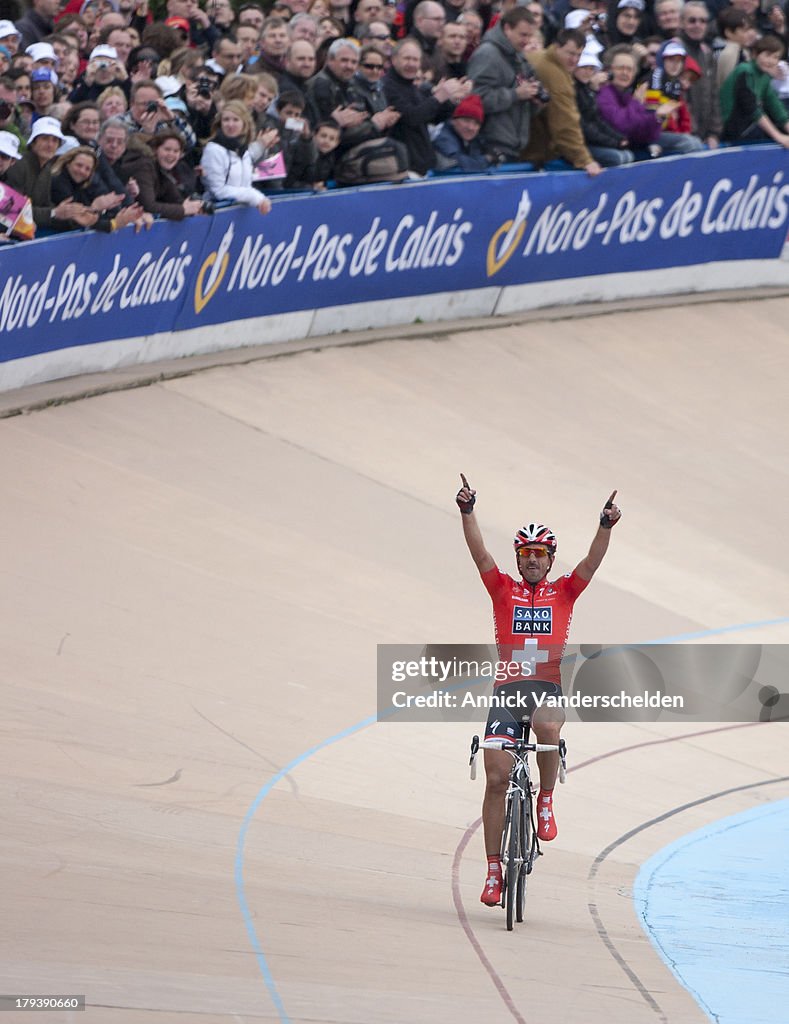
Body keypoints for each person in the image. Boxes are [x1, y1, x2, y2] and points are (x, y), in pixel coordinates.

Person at [455, 473, 621, 907]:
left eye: (540, 554)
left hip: (545, 688)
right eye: (526, 553)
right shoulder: (502, 589)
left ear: (549, 560)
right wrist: (467, 512)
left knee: (548, 724)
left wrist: (604, 526)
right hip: (507, 695)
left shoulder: (565, 591)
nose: (532, 559)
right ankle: (494, 872)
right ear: (519, 558)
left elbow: (591, 562)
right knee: (494, 780)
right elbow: (479, 554)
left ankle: (545, 799)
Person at [466, 7, 542, 164]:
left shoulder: (517, 55)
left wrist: (535, 100)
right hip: (490, 145)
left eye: (530, 35)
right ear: (507, 28)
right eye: (523, 35)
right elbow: (476, 99)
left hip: (514, 143)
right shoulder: (488, 54)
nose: (526, 40)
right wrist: (516, 95)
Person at [523, 28, 604, 174]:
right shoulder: (556, 77)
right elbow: (565, 123)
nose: (574, 60)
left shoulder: (539, 57)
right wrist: (584, 160)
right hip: (531, 149)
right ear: (557, 47)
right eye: (570, 53)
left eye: (579, 55)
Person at [200, 98, 272, 211]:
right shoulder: (213, 150)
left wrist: (259, 199)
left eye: (235, 120)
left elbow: (245, 186)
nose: (230, 124)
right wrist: (255, 197)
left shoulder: (244, 151)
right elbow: (218, 191)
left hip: (240, 213)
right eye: (226, 120)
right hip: (217, 212)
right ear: (220, 123)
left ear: (244, 123)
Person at [720, 34, 789, 146]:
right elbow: (752, 109)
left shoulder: (765, 77)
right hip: (732, 126)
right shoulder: (745, 71)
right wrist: (779, 137)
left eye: (776, 57)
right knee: (770, 134)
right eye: (767, 55)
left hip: (749, 124)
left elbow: (776, 108)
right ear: (755, 54)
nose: (771, 61)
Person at [573, 47, 634, 164]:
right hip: (582, 143)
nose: (587, 72)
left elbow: (597, 120)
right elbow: (584, 126)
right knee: (619, 157)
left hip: (595, 141)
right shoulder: (578, 90)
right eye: (584, 68)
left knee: (627, 156)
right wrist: (614, 142)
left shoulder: (588, 91)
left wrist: (619, 138)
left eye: (591, 69)